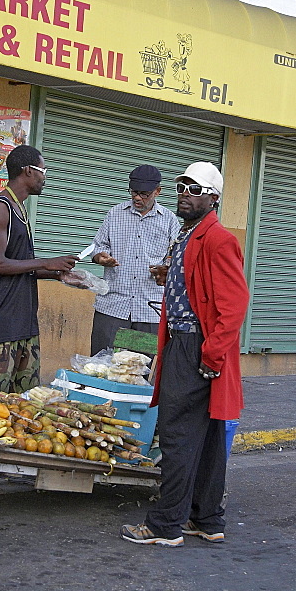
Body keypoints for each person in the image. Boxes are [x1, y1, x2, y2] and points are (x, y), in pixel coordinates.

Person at [120, 161, 249, 547]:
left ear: (213, 197)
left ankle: (165, 526)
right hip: (189, 344)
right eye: (181, 187)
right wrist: (171, 276)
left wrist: (210, 356)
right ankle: (206, 519)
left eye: (195, 190)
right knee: (207, 437)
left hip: (194, 348)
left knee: (176, 435)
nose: (185, 195)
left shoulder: (217, 239)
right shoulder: (189, 234)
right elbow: (196, 285)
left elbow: (234, 304)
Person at [0, 145, 78, 397]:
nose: (45, 176)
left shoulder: (20, 209)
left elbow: (19, 267)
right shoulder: (0, 207)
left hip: (22, 324)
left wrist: (58, 274)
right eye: (43, 170)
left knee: (24, 405)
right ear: (28, 171)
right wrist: (45, 262)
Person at [89, 164, 180, 355]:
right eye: (134, 192)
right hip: (112, 308)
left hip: (148, 311)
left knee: (137, 371)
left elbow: (177, 260)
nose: (137, 198)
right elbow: (98, 247)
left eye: (144, 194)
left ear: (158, 192)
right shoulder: (115, 213)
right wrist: (101, 258)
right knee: (100, 366)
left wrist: (164, 270)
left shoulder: (170, 220)